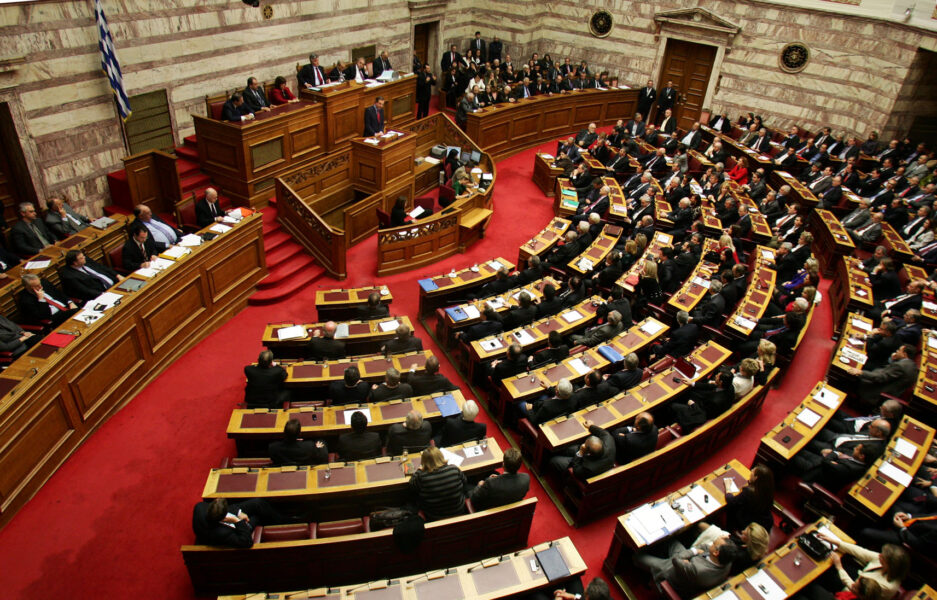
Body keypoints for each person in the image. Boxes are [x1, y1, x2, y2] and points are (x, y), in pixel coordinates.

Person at [633, 532, 739, 597]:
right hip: (685, 563)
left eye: (714, 544)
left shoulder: (698, 570)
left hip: (670, 573)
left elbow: (675, 559)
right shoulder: (727, 561)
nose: (711, 544)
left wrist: (694, 552)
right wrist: (694, 553)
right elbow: (704, 547)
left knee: (637, 557)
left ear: (716, 553)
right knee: (670, 540)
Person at [812, 536, 910, 600]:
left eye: (883, 557)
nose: (879, 555)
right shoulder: (883, 560)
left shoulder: (887, 586)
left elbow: (856, 589)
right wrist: (837, 542)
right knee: (830, 563)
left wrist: (839, 567)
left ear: (890, 565)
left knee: (823, 575)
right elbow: (859, 551)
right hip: (859, 579)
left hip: (852, 590)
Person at [191, 497, 286, 548]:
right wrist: (237, 520)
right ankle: (283, 525)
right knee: (257, 517)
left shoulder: (200, 507)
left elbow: (224, 508)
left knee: (257, 503)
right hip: (238, 529)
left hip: (223, 518)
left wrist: (238, 513)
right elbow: (247, 542)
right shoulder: (222, 533)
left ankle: (281, 519)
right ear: (224, 517)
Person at [408, 446, 468, 521]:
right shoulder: (454, 469)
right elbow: (465, 482)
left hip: (433, 516)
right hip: (459, 511)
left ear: (424, 462)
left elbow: (412, 486)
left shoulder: (422, 476)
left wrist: (419, 470)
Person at [550, 421, 616, 479]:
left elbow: (576, 470)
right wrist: (590, 426)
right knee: (568, 449)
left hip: (583, 464)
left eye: (585, 444)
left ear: (588, 453)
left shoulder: (589, 468)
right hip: (596, 458)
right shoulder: (609, 440)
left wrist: (581, 452)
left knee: (555, 460)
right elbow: (603, 432)